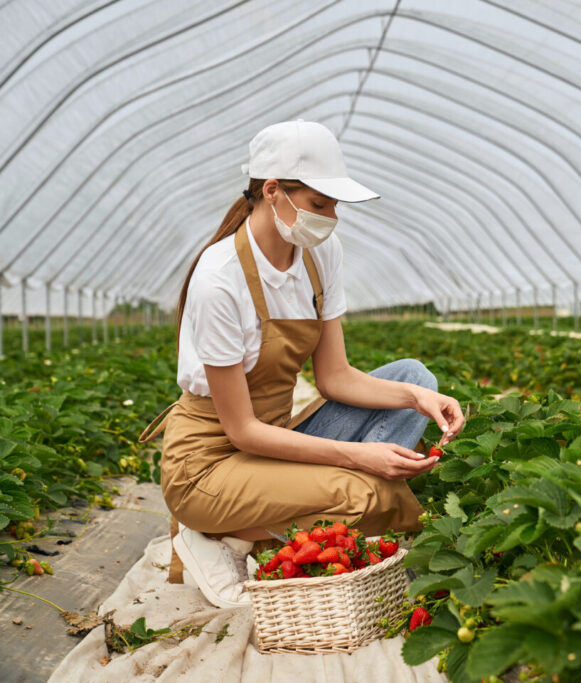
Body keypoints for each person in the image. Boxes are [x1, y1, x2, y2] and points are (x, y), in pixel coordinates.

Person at [138, 120, 464, 608]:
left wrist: (418, 398)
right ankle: (218, 533)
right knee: (364, 492)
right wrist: (358, 457)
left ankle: (309, 509)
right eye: (320, 203)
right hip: (210, 464)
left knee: (414, 377)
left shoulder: (318, 254)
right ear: (272, 191)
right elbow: (242, 431)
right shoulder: (220, 278)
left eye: (334, 206)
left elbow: (335, 377)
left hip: (272, 439)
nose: (331, 217)